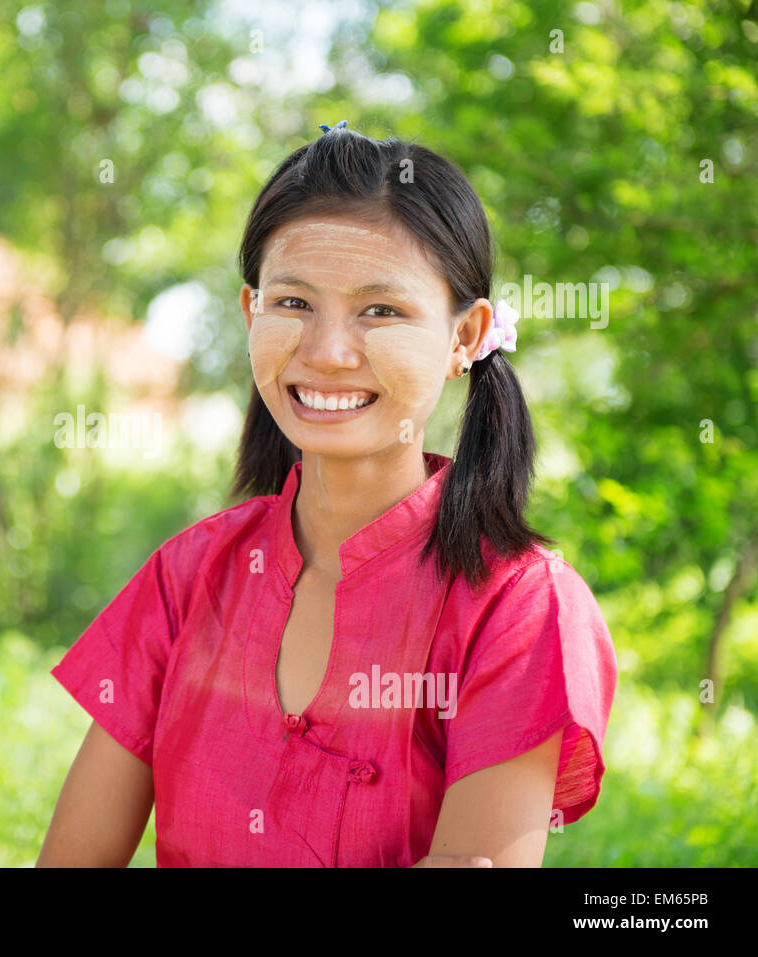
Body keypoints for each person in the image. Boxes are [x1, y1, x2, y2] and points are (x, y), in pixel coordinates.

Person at [36, 121, 617, 868]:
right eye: (293, 303)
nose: (327, 352)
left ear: (466, 337)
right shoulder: (186, 578)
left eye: (381, 310)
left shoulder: (520, 603)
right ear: (251, 316)